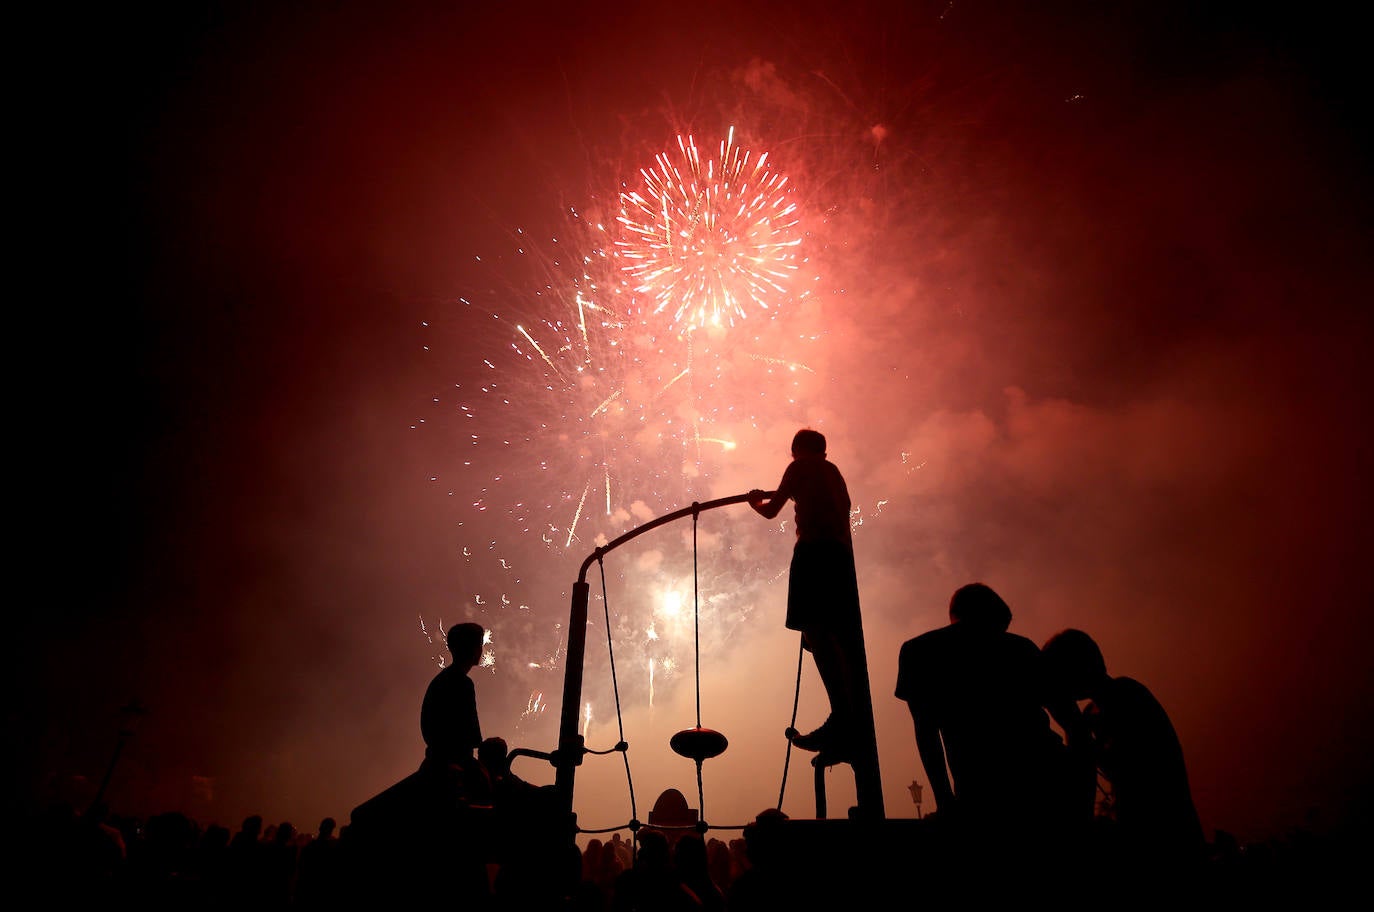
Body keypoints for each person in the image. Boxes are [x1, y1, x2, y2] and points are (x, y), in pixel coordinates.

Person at [748, 428, 883, 815]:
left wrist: (755, 502)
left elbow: (772, 510)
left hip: (814, 553)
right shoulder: (834, 472)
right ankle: (845, 712)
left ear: (797, 450)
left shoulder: (800, 466)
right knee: (825, 634)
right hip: (840, 556)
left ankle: (842, 715)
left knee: (816, 632)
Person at [894, 583, 1077, 864]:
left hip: (977, 790)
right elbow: (1071, 721)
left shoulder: (919, 651)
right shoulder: (1022, 648)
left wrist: (946, 803)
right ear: (993, 617)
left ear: (954, 613)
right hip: (1044, 783)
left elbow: (926, 733)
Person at [1040, 628, 1207, 876]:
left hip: (1161, 834)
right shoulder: (1099, 709)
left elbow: (1133, 770)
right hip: (1152, 831)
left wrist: (1076, 732)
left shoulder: (1124, 695)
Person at [420, 621, 489, 801]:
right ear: (472, 648)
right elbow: (471, 735)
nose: (481, 650)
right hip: (452, 763)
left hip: (439, 761)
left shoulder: (442, 680)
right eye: (479, 644)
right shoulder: (462, 684)